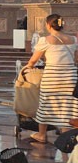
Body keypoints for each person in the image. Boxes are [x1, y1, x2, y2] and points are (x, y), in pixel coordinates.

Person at [24, 14, 78, 144]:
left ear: (48, 25)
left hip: (52, 77)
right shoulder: (73, 39)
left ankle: (42, 134)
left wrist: (28, 67)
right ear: (62, 25)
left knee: (46, 103)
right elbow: (75, 59)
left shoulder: (45, 40)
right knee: (68, 105)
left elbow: (34, 60)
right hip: (70, 76)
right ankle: (66, 133)